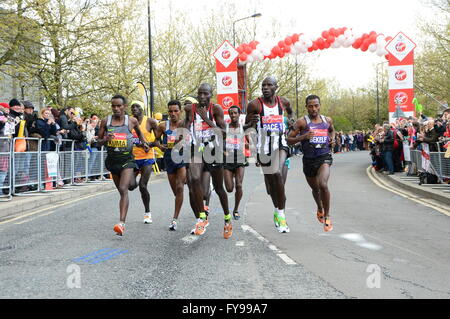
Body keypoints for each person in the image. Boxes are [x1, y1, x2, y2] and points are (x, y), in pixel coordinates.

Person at [245, 76, 294, 233]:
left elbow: (291, 113)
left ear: (276, 87)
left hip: (280, 145)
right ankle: (277, 208)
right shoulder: (254, 105)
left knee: (277, 173)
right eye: (263, 85)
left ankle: (281, 215)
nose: (265, 87)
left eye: (269, 85)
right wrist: (252, 122)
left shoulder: (283, 102)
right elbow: (246, 128)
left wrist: (291, 121)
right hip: (263, 148)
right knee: (271, 188)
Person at [183, 83, 232, 238]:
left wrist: (206, 119)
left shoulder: (215, 109)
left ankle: (227, 219)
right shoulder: (191, 108)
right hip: (197, 149)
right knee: (194, 178)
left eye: (205, 94)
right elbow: (185, 124)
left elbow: (223, 133)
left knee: (219, 188)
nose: (202, 97)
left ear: (211, 95)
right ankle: (202, 218)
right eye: (200, 94)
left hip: (213, 150)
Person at [97, 95, 150, 236]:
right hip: (113, 161)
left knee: (123, 188)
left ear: (124, 107)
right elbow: (96, 142)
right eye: (113, 106)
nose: (116, 109)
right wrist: (105, 139)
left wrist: (144, 143)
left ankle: (121, 223)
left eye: (119, 106)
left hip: (127, 160)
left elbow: (140, 134)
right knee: (129, 187)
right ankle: (134, 182)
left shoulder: (131, 121)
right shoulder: (105, 121)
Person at [287, 94, 335, 232]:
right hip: (308, 160)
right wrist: (304, 137)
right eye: (310, 106)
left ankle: (327, 216)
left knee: (323, 184)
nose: (313, 108)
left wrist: (332, 139)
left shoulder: (327, 120)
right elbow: (288, 139)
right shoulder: (302, 122)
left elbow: (332, 130)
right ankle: (319, 208)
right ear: (306, 107)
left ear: (320, 106)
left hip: (323, 157)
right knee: (315, 189)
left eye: (316, 105)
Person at [154, 100, 186, 231]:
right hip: (169, 159)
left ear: (180, 111)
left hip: (183, 157)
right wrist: (160, 146)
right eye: (170, 111)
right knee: (176, 191)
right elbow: (155, 140)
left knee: (180, 187)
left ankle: (174, 219)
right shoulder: (163, 126)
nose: (173, 113)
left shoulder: (185, 124)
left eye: (176, 111)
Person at [129, 101, 158, 224]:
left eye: (137, 107)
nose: (135, 109)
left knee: (142, 185)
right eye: (133, 107)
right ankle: (133, 182)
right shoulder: (129, 122)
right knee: (130, 186)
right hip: (133, 158)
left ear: (143, 108)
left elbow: (157, 139)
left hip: (147, 157)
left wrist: (148, 145)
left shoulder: (150, 121)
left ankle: (147, 213)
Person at [223, 105, 249, 220]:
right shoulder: (225, 128)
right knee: (229, 188)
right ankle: (230, 176)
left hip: (239, 158)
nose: (233, 115)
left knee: (239, 185)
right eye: (231, 113)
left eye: (235, 113)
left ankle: (236, 209)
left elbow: (250, 142)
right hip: (227, 159)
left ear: (239, 114)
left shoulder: (243, 128)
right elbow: (219, 143)